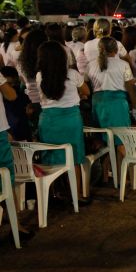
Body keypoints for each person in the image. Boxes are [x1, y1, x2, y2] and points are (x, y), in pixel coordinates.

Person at [36, 41, 90, 202]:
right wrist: (79, 95)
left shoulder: (40, 76)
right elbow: (86, 91)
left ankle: (53, 192)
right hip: (70, 119)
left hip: (48, 120)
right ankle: (77, 194)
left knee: (51, 156)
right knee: (75, 157)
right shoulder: (72, 74)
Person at [88, 37, 136, 176]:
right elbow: (130, 88)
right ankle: (124, 174)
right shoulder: (123, 65)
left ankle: (105, 175)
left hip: (98, 105)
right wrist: (135, 106)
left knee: (103, 140)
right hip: (117, 105)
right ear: (116, 50)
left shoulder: (91, 65)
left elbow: (87, 83)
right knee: (121, 140)